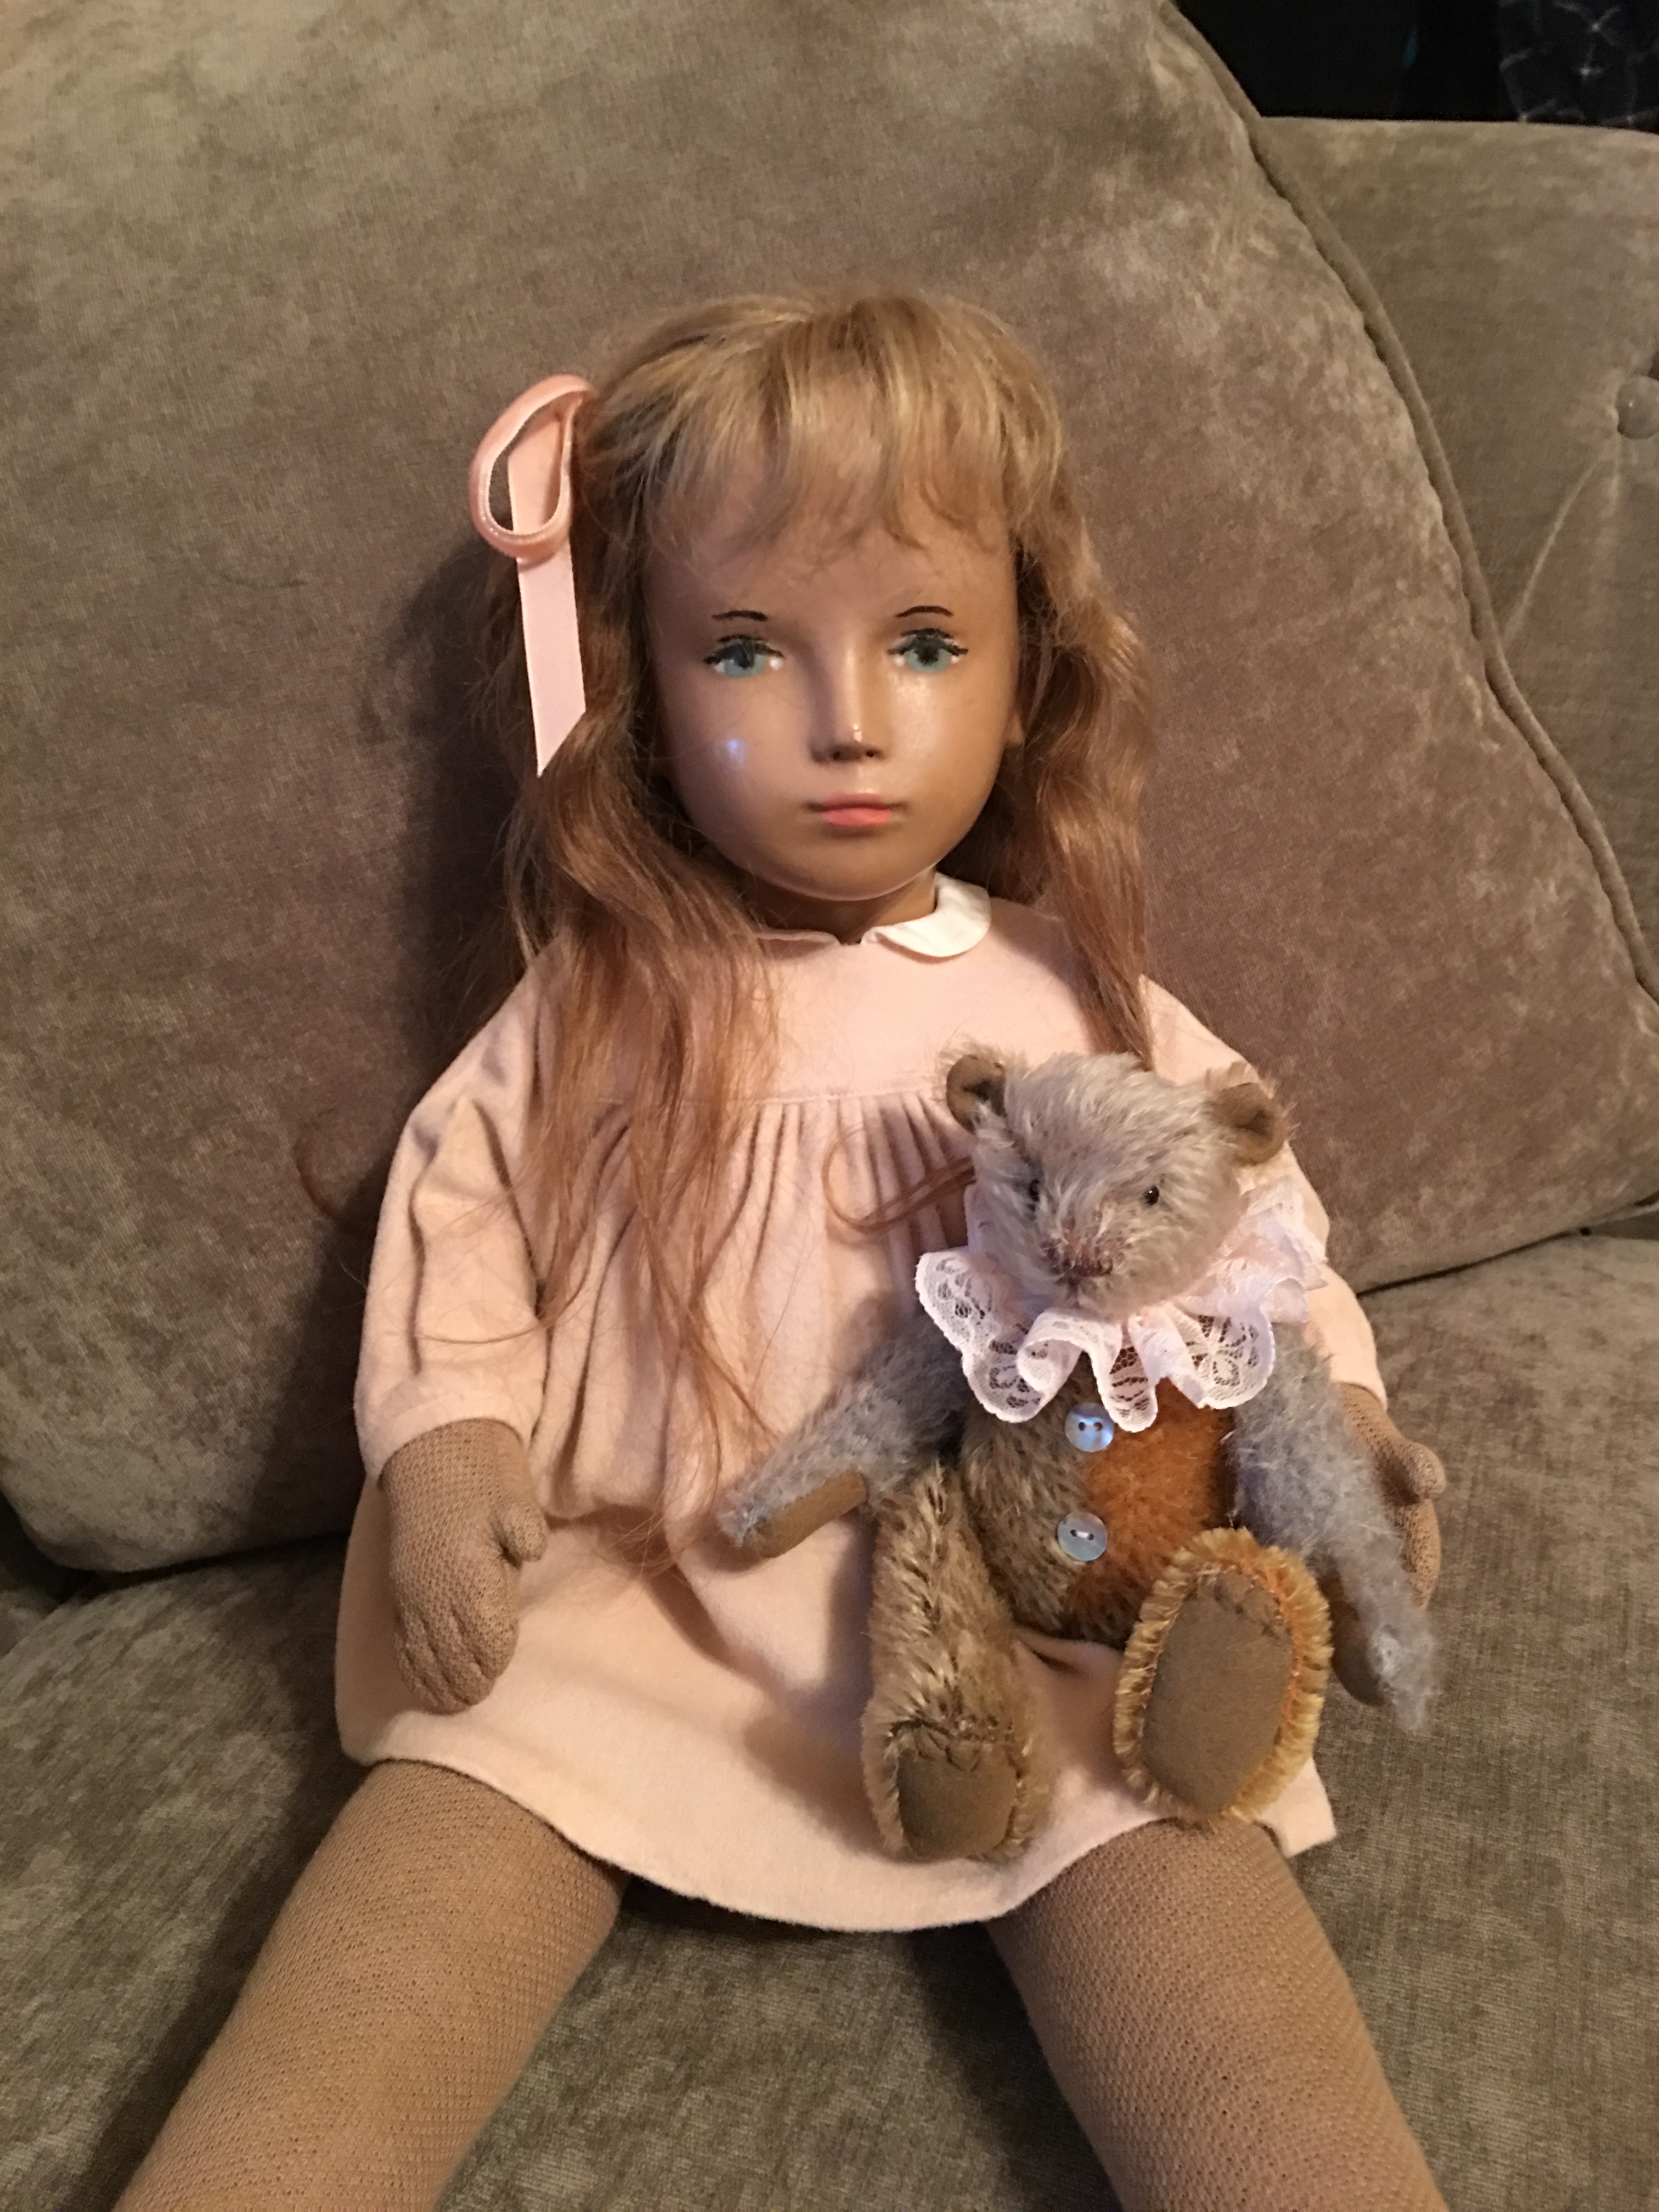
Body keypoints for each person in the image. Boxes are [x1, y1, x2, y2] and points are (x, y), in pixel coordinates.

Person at [118, 290, 1448, 2212]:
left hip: (1028, 1611)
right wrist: (450, 1441)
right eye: (746, 647)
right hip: (628, 1604)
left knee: (1214, 1968)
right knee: (371, 1977)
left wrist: (1347, 1426)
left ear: (1025, 672)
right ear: (645, 691)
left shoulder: (1073, 1000)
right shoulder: (610, 998)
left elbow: (1250, 1235)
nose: (846, 718)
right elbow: (464, 1211)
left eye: (924, 643)